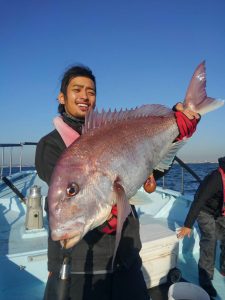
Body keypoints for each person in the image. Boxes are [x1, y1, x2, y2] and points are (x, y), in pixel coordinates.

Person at [35, 64, 200, 300]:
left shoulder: (110, 131)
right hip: (82, 264)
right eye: (77, 89)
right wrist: (106, 213)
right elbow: (67, 190)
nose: (84, 96)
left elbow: (150, 174)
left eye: (90, 92)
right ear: (62, 97)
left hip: (127, 255)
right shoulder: (50, 145)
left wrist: (177, 128)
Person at [177, 157, 225, 298]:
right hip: (204, 211)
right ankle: (205, 278)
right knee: (210, 238)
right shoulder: (214, 179)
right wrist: (188, 225)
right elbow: (199, 200)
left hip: (219, 211)